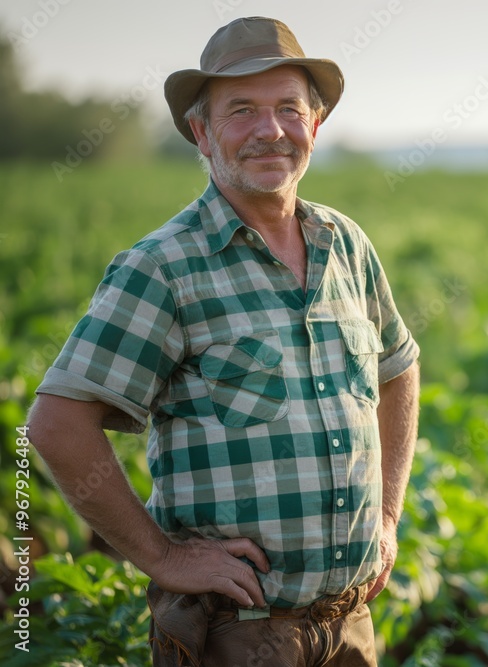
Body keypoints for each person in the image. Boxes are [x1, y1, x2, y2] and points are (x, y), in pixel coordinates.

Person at [27, 16, 420, 666]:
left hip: (351, 623)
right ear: (201, 134)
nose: (270, 130)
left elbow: (398, 368)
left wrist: (387, 519)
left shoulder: (345, 244)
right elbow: (57, 423)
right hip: (237, 634)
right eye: (242, 111)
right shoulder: (163, 267)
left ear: (314, 126)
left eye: (288, 109)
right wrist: (163, 556)